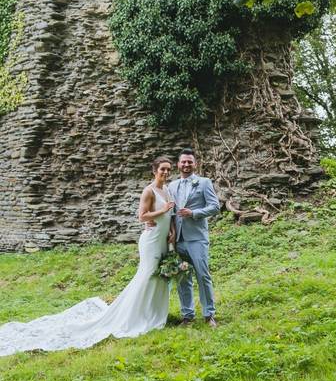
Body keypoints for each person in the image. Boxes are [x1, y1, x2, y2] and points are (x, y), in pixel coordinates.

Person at [0, 156, 177, 356]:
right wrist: (160, 211)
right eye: (162, 169)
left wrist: (171, 229)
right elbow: (141, 216)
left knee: (160, 277)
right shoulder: (149, 190)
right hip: (151, 240)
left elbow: (170, 213)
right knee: (147, 276)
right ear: (154, 170)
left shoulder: (168, 189)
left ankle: (153, 313)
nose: (166, 172)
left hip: (164, 239)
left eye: (168, 169)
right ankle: (134, 315)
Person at [170, 148, 220, 327]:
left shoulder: (204, 182)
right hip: (178, 240)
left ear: (195, 164)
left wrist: (194, 212)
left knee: (202, 275)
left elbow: (215, 207)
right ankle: (187, 315)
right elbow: (169, 212)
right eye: (183, 161)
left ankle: (209, 315)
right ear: (178, 164)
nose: (186, 164)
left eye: (189, 161)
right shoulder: (172, 186)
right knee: (182, 277)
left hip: (197, 238)